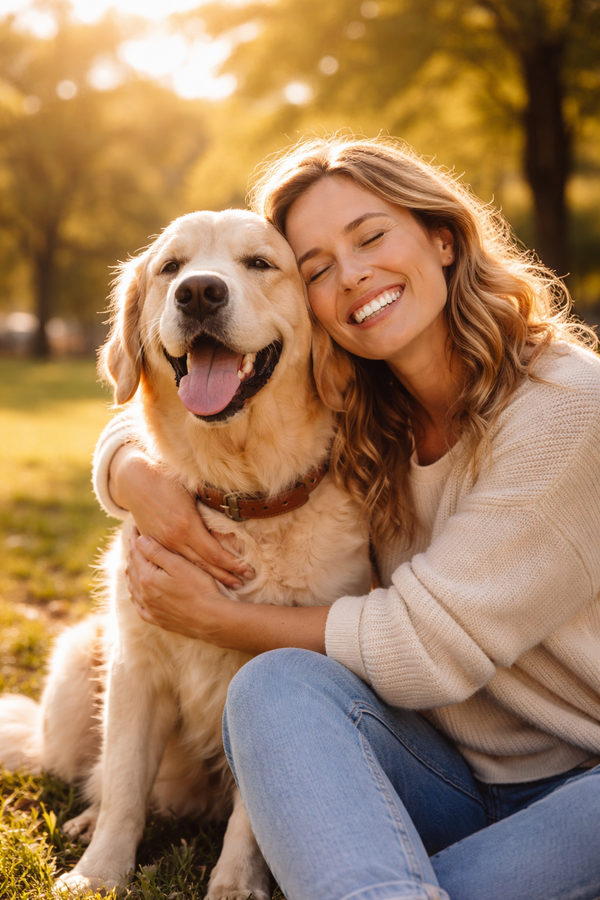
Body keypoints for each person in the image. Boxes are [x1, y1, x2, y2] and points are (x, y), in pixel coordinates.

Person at [93, 137, 600, 900]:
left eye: (371, 237)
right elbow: (169, 400)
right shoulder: (368, 403)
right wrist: (131, 474)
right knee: (275, 687)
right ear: (312, 310)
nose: (353, 274)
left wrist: (213, 616)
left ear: (443, 238)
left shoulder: (567, 408)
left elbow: (426, 644)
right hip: (436, 770)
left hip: (580, 780)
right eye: (319, 267)